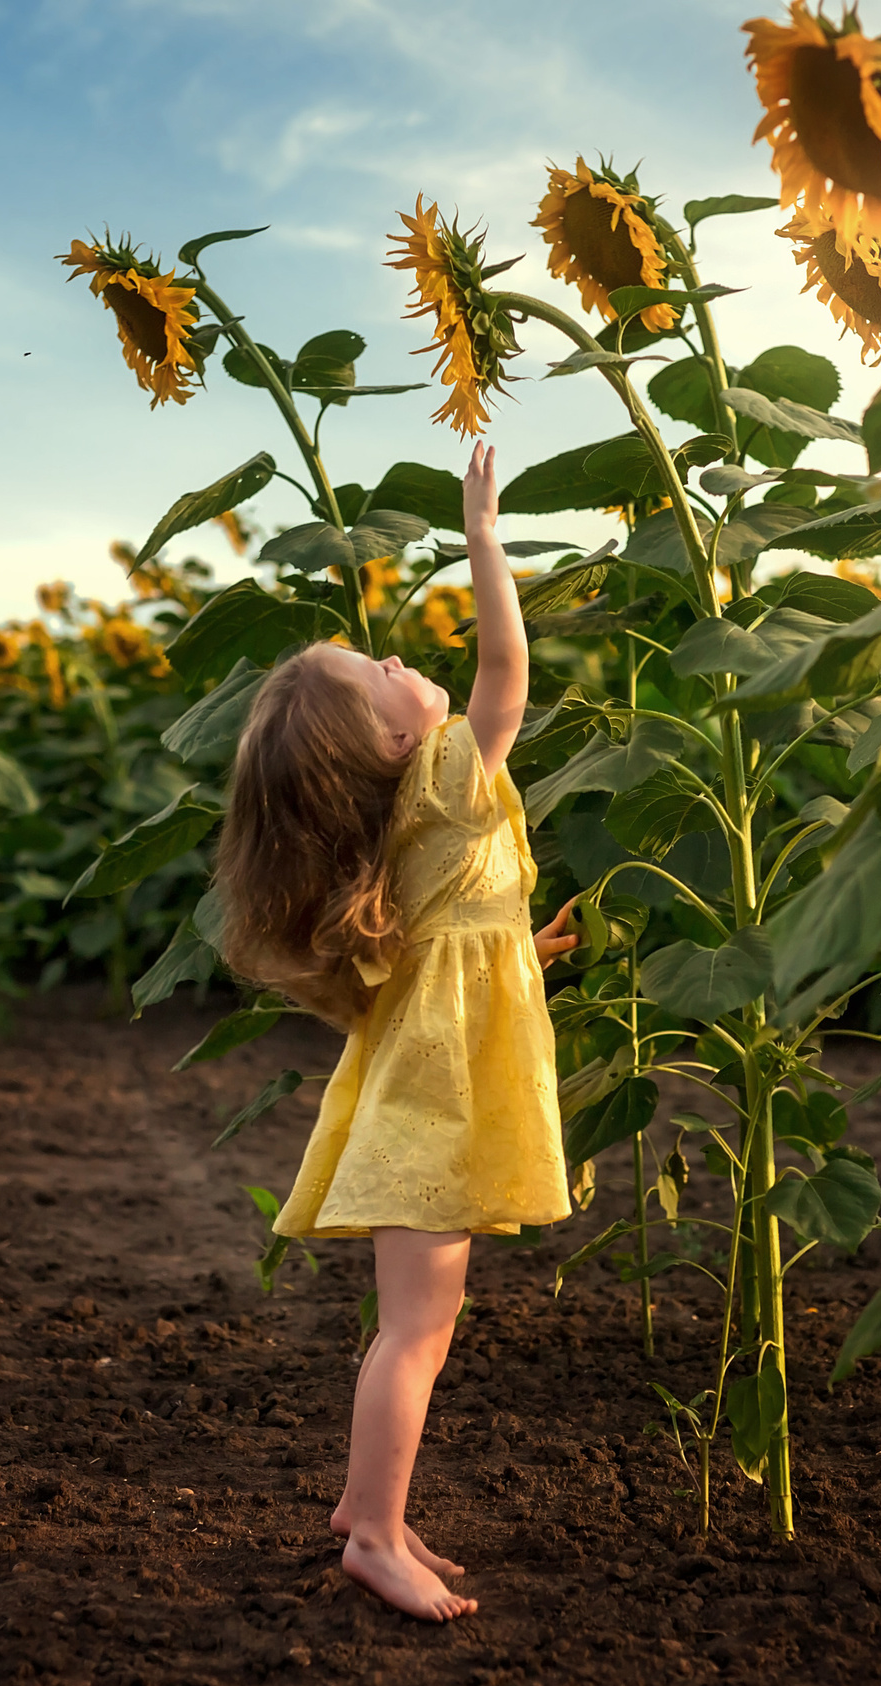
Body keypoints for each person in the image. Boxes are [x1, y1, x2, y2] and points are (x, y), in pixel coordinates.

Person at [214, 441, 578, 1622]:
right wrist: (483, 539)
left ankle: (370, 1506)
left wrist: (523, 951)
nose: (393, 658)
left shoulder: (409, 823)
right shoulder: (444, 779)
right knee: (416, 1331)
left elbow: (447, 948)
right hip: (434, 1109)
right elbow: (507, 674)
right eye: (376, 672)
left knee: (417, 1323)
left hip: (427, 1092)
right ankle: (373, 1536)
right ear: (386, 744)